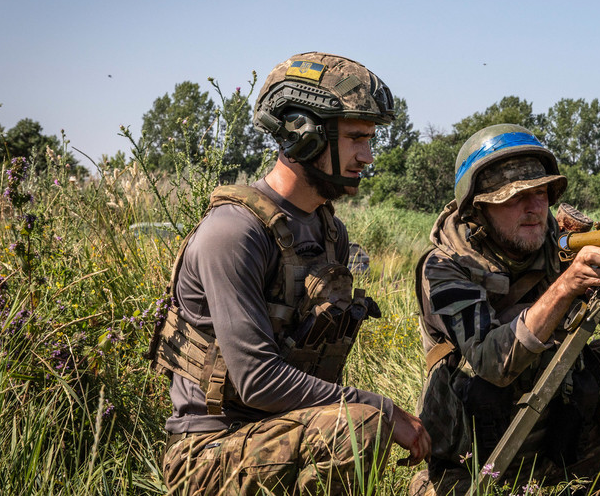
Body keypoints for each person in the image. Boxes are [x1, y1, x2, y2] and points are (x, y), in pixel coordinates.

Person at [150, 52, 430, 495]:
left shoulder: (328, 231)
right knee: (360, 426)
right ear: (303, 136)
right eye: (357, 138)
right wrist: (382, 409)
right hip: (208, 454)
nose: (368, 156)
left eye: (371, 139)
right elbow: (257, 378)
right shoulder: (235, 231)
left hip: (281, 435)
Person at [409, 124, 600, 495]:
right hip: (475, 461)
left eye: (541, 193)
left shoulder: (561, 248)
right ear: (479, 206)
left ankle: (569, 483)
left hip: (562, 447)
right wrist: (566, 287)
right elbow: (490, 361)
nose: (534, 207)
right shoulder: (445, 266)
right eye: (515, 197)